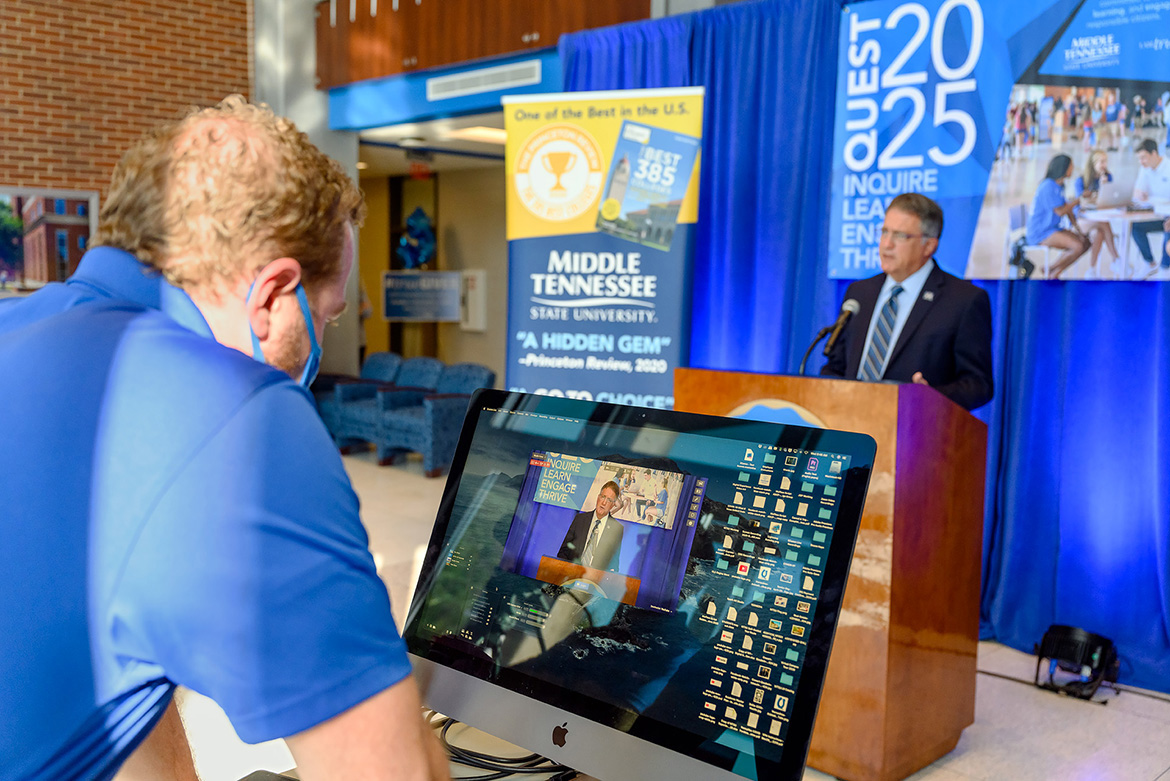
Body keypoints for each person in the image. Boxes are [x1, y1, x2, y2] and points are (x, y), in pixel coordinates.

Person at [0, 97, 449, 781]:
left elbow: (107, 674)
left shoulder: (19, 328)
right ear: (273, 296)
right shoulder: (238, 420)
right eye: (325, 318)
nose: (322, 344)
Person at [821, 192, 993, 411]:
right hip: (850, 427)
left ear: (929, 246)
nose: (886, 244)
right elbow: (836, 367)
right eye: (884, 232)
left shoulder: (963, 300)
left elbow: (979, 385)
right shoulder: (859, 292)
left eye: (900, 236)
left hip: (914, 432)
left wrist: (929, 396)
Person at [1027, 154, 1095, 280]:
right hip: (1041, 231)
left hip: (1053, 228)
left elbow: (1067, 210)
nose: (1072, 169)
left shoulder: (1060, 185)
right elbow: (1061, 211)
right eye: (1071, 166)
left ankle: (1053, 272)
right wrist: (1078, 200)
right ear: (1063, 168)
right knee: (1077, 246)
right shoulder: (1048, 186)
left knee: (1085, 242)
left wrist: (1079, 231)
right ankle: (1051, 269)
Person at [557, 481, 625, 573]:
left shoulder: (616, 529)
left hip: (595, 582)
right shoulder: (580, 519)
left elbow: (614, 565)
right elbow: (563, 552)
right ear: (598, 497)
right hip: (570, 577)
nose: (604, 502)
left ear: (613, 505)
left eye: (609, 500)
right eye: (603, 497)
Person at [1072, 150, 1121, 277]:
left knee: (1100, 233)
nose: (1104, 165)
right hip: (1081, 220)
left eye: (1105, 161)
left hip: (1097, 220)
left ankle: (1092, 270)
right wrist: (1096, 194)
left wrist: (1104, 187)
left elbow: (1109, 200)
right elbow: (1080, 203)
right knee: (1104, 223)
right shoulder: (1081, 180)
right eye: (1101, 162)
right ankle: (1116, 258)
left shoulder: (1108, 177)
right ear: (1093, 164)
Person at [1131, 138, 1170, 275]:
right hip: (1156, 215)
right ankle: (1150, 262)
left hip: (1168, 217)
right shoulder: (1145, 169)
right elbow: (1136, 192)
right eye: (1139, 159)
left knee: (1168, 229)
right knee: (1136, 228)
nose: (1141, 162)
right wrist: (1139, 194)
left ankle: (1164, 269)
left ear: (1154, 153)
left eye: (1144, 158)